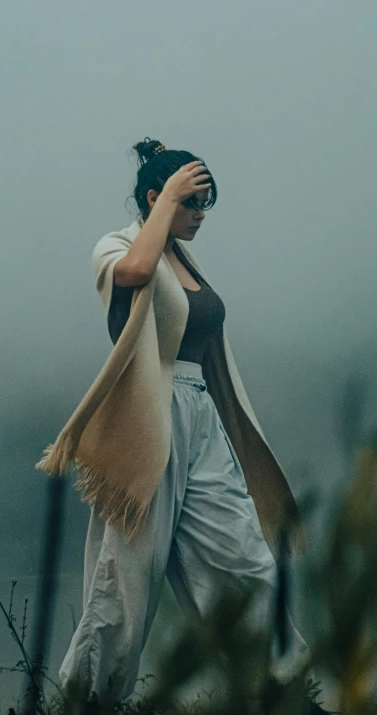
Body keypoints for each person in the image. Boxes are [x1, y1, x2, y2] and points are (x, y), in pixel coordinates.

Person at [57, 138, 311, 705]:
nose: (201, 216)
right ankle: (85, 702)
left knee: (246, 560)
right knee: (124, 585)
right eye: (191, 203)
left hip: (200, 418)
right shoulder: (118, 245)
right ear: (157, 198)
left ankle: (289, 689)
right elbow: (136, 271)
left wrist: (170, 208)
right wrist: (164, 200)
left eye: (204, 204)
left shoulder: (186, 257)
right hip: (147, 420)